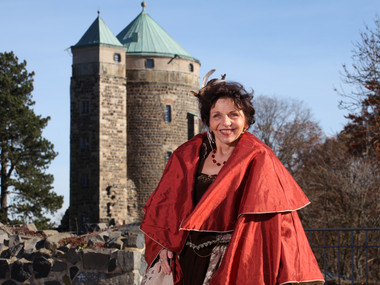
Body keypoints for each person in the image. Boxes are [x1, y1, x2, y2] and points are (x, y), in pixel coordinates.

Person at [140, 71, 324, 285]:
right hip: (186, 261)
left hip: (235, 263)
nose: (225, 122)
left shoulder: (259, 158)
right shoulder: (188, 156)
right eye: (217, 115)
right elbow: (167, 208)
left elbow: (281, 224)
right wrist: (164, 244)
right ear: (208, 120)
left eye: (233, 114)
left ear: (246, 120)